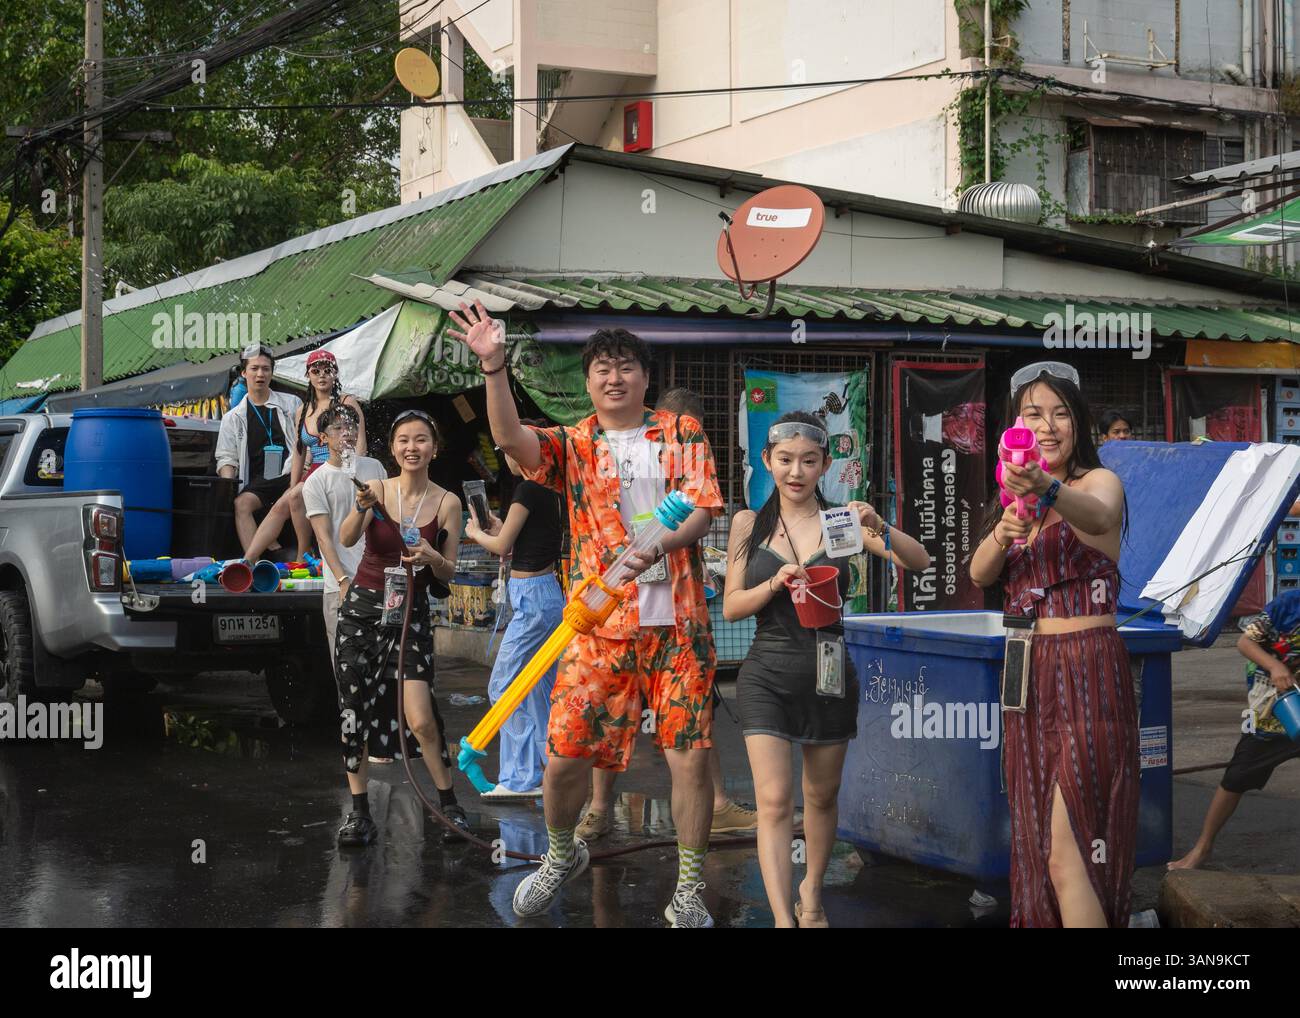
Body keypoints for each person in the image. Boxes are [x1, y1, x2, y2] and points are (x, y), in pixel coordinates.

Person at [449, 303, 723, 927]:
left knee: (689, 754)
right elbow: (510, 441)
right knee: (565, 753)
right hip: (598, 627)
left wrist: (655, 544)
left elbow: (702, 508)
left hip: (677, 626)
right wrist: (494, 366)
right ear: (588, 381)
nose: (613, 377)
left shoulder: (680, 432)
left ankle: (687, 889)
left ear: (644, 378)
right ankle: (559, 854)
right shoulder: (573, 443)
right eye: (602, 368)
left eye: (626, 367)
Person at [725, 411, 929, 928]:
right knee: (773, 801)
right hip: (767, 670)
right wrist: (774, 584)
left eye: (809, 461)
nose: (796, 471)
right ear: (768, 461)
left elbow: (919, 562)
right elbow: (730, 607)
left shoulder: (842, 522)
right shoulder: (750, 523)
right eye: (786, 460)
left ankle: (812, 893)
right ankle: (781, 918)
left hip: (828, 667)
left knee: (820, 794)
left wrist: (879, 525)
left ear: (825, 464)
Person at [970, 361, 1134, 928]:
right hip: (1028, 674)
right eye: (1032, 414)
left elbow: (1101, 515)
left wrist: (1047, 486)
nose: (1047, 425)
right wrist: (1004, 527)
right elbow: (979, 572)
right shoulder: (1012, 501)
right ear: (1014, 427)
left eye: (1060, 413)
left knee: (1072, 856)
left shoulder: (1095, 482)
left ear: (1079, 422)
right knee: (1040, 849)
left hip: (1087, 669)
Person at [578, 388, 758, 841]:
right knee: (611, 717)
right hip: (618, 614)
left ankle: (714, 806)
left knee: (694, 723)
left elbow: (701, 516)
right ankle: (599, 808)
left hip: (676, 615)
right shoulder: (617, 460)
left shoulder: (691, 474)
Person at [332, 409, 470, 847]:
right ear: (392, 449)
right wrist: (360, 508)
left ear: (434, 446)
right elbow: (348, 538)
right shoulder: (375, 488)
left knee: (421, 717)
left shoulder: (448, 502)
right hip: (363, 610)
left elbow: (449, 573)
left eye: (422, 439)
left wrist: (433, 558)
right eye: (404, 440)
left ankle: (450, 805)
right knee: (355, 712)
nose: (412, 447)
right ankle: (359, 815)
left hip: (411, 612)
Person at [463, 429, 565, 798]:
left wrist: (476, 532)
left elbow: (502, 546)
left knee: (504, 685)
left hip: (534, 597)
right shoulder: (552, 491)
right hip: (545, 592)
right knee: (538, 688)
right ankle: (540, 772)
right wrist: (493, 526)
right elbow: (515, 541)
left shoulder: (526, 489)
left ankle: (520, 778)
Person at [1168, 593, 1300, 869]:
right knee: (1236, 777)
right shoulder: (1287, 605)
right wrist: (1275, 665)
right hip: (1272, 712)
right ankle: (1201, 849)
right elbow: (1245, 642)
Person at [242, 349, 368, 562]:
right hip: (314, 470)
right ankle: (247, 561)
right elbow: (299, 451)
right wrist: (292, 484)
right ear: (308, 375)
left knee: (295, 496)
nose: (322, 375)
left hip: (340, 468)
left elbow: (361, 442)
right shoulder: (303, 409)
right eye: (316, 370)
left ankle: (302, 554)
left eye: (327, 370)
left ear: (335, 374)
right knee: (284, 502)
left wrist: (351, 472)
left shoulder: (347, 401)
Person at [302, 405, 385, 671]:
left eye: (351, 427)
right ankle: (349, 714)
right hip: (339, 584)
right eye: (338, 428)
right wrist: (342, 580)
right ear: (323, 438)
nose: (347, 433)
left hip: (379, 580)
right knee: (347, 664)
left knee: (383, 659)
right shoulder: (316, 481)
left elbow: (387, 518)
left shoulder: (374, 468)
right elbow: (323, 538)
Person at [215, 345, 304, 551]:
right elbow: (226, 457)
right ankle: (254, 565)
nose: (260, 374)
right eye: (254, 369)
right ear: (244, 372)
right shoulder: (232, 417)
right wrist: (227, 486)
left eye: (266, 369)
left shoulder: (291, 404)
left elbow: (304, 442)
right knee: (241, 504)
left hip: (289, 474)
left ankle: (296, 554)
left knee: (296, 494)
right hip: (257, 481)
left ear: (272, 372)